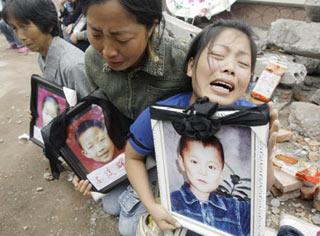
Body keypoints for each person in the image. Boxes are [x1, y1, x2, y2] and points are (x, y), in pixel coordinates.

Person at [125, 19, 279, 233]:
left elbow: (263, 188)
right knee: (127, 226)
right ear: (190, 66)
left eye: (243, 64)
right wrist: (152, 205)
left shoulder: (252, 122)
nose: (229, 68)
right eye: (217, 56)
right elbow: (132, 157)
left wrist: (266, 153)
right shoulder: (159, 116)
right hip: (176, 209)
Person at [73, 0, 192, 235]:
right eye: (95, 33)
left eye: (122, 39)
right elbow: (102, 119)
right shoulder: (92, 61)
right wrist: (89, 167)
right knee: (109, 203)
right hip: (130, 150)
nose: (107, 51)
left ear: (151, 26)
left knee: (128, 228)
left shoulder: (182, 62)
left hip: (170, 155)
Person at [2, 0, 95, 99]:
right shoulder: (43, 54)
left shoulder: (73, 66)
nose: (20, 36)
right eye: (14, 28)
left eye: (25, 27)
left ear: (48, 24)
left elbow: (93, 110)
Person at [171, 135, 250, 236]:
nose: (203, 172)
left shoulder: (236, 210)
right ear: (182, 163)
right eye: (194, 162)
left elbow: (260, 197)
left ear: (221, 173)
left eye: (211, 167)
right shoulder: (173, 203)